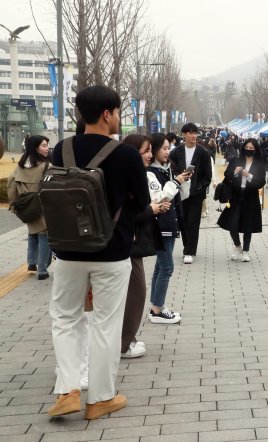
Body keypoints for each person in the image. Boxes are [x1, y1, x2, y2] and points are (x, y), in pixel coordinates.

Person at [47, 85, 149, 420]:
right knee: (106, 323)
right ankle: (100, 398)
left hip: (66, 251)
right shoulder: (125, 154)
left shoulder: (61, 149)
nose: (119, 118)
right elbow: (142, 205)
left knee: (65, 318)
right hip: (112, 252)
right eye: (118, 112)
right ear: (107, 114)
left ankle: (68, 392)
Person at [118, 134, 167, 359]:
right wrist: (152, 209)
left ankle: (126, 340)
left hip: (126, 244)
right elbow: (130, 213)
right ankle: (123, 343)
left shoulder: (126, 172)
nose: (150, 154)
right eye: (146, 151)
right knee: (136, 293)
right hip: (126, 244)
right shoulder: (129, 175)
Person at [148, 133, 189, 323]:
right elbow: (159, 198)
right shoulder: (150, 172)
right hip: (160, 223)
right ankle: (157, 310)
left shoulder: (166, 169)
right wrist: (177, 182)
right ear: (154, 150)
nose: (167, 152)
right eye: (163, 148)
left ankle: (156, 306)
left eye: (168, 148)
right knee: (167, 267)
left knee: (160, 266)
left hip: (169, 221)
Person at [7, 135, 52, 280]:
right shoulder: (45, 166)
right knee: (44, 234)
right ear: (35, 148)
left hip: (25, 204)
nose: (47, 149)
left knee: (32, 231)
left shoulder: (20, 166)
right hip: (41, 204)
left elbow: (10, 183)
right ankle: (43, 270)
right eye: (44, 145)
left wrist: (15, 203)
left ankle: (31, 262)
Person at [217, 138, 266, 262]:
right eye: (247, 148)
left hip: (250, 196)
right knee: (232, 223)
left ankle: (246, 251)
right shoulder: (236, 160)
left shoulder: (259, 164)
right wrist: (235, 172)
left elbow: (261, 182)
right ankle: (237, 246)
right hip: (236, 195)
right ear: (243, 147)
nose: (248, 150)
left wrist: (248, 175)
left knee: (247, 225)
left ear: (255, 150)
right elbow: (227, 175)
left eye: (251, 148)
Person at [169, 122, 212, 264]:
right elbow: (170, 169)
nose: (194, 136)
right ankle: (187, 246)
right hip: (180, 191)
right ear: (184, 134)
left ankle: (189, 251)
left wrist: (200, 187)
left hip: (196, 192)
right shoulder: (176, 152)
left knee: (193, 222)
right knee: (183, 221)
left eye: (195, 133)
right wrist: (179, 176)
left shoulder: (203, 152)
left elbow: (207, 175)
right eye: (191, 133)